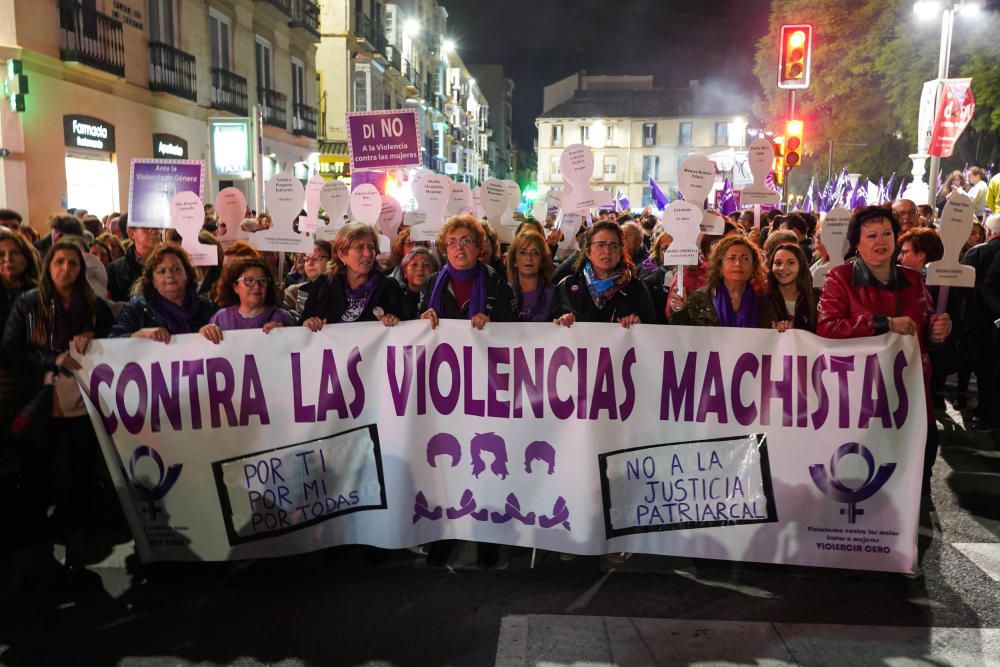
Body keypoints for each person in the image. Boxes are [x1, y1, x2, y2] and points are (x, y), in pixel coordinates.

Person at [817, 206, 951, 495]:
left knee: (915, 479)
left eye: (887, 234)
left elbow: (924, 332)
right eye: (872, 235)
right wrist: (884, 323)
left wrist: (937, 332)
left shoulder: (915, 280)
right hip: (858, 400)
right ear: (857, 242)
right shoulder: (840, 278)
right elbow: (828, 327)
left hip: (910, 395)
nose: (881, 241)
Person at [2, 240, 115, 580]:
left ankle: (77, 544)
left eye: (73, 264)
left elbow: (114, 340)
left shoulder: (94, 305)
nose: (66, 269)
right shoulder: (28, 303)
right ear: (48, 266)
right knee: (37, 476)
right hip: (42, 403)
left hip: (83, 405)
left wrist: (93, 335)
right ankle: (37, 551)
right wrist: (52, 359)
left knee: (81, 475)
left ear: (82, 269)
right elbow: (8, 352)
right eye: (59, 263)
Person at [552, 220, 655, 328]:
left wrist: (639, 324)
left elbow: (652, 329)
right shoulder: (568, 286)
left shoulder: (636, 289)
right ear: (588, 252)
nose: (607, 251)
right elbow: (550, 326)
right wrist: (561, 320)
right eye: (600, 244)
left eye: (614, 245)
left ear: (620, 252)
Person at [420, 214, 515, 330]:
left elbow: (513, 327)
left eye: (466, 241)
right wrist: (423, 319)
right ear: (445, 249)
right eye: (452, 242)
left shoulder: (496, 283)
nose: (459, 247)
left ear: (478, 247)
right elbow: (416, 329)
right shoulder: (431, 282)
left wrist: (492, 324)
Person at [301, 222, 403, 330]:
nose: (368, 254)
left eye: (371, 247)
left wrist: (394, 320)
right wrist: (308, 323)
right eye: (359, 247)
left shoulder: (389, 287)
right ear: (342, 254)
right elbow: (301, 325)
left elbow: (408, 325)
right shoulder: (322, 285)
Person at [109, 244, 217, 341]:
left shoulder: (208, 308)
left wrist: (214, 331)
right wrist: (139, 335)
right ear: (153, 281)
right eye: (161, 271)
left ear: (187, 275)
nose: (169, 275)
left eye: (176, 269)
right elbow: (113, 340)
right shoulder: (137, 308)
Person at [669, 235, 777, 328]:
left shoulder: (764, 304)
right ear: (720, 265)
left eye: (745, 259)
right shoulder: (698, 300)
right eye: (732, 258)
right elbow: (682, 339)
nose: (738, 263)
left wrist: (781, 331)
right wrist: (680, 312)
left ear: (753, 266)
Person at [962, 213, 1000, 426]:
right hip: (994, 320)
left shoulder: (975, 253)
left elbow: (964, 291)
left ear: (989, 231)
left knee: (983, 372)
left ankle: (984, 413)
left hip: (978, 321)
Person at [199, 257, 294, 343]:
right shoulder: (221, 317)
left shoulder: (281, 317)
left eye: (262, 281)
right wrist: (205, 334)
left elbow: (298, 349)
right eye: (249, 281)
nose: (257, 286)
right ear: (235, 287)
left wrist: (287, 335)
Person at [766, 242, 819, 332]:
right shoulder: (763, 297)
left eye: (790, 263)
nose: (782, 268)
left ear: (801, 266)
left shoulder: (817, 298)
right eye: (778, 263)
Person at [506, 231, 555, 322]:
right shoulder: (504, 293)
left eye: (535, 253)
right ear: (514, 261)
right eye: (523, 252)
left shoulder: (554, 294)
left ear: (542, 261)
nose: (529, 257)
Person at [106, 221, 162, 302]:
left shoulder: (173, 262)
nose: (154, 231)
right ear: (132, 233)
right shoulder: (114, 270)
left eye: (157, 227)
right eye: (146, 227)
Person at [283, 240, 331, 320]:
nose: (310, 263)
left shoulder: (344, 290)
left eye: (316, 258)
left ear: (331, 260)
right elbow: (288, 322)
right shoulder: (293, 292)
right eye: (307, 259)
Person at [398, 246, 439, 320]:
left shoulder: (441, 296)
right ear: (405, 272)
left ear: (435, 271)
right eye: (414, 265)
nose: (420, 269)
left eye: (426, 265)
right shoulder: (396, 296)